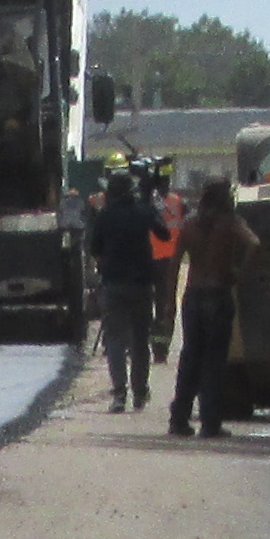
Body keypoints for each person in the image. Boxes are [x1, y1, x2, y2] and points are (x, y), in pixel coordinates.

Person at [167, 170, 249, 437]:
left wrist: (169, 300)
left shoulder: (190, 224)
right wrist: (238, 269)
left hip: (193, 296)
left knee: (190, 357)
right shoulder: (229, 223)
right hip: (218, 294)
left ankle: (179, 419)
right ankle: (210, 422)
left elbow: (174, 262)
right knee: (214, 362)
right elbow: (254, 242)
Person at [88, 167, 162, 412]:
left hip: (114, 284)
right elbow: (162, 233)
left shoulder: (105, 215)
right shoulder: (143, 211)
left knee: (116, 340)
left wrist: (106, 263)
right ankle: (140, 391)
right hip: (141, 284)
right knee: (141, 340)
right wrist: (151, 204)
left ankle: (119, 394)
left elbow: (94, 249)